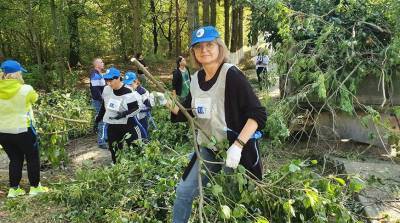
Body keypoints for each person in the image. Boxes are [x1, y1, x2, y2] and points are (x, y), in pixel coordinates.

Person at [168, 26, 267, 223]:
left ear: (219, 47)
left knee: (233, 201)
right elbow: (188, 113)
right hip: (208, 148)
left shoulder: (231, 75)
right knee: (184, 191)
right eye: (198, 47)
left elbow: (258, 114)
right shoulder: (196, 80)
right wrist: (172, 107)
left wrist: (238, 146)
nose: (204, 50)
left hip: (235, 150)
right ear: (194, 53)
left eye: (210, 45)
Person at [0, 60, 49, 198]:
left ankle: (14, 189)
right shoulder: (25, 89)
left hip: (3, 131)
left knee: (15, 159)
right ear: (17, 74)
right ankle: (35, 187)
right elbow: (35, 98)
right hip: (23, 129)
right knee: (32, 157)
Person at [94, 67, 142, 163]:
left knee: (135, 148)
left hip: (128, 124)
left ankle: (137, 167)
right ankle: (117, 167)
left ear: (118, 78)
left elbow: (136, 108)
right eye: (107, 80)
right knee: (114, 149)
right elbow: (104, 106)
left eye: (111, 80)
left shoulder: (128, 91)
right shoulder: (107, 90)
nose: (109, 83)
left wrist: (124, 114)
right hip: (112, 125)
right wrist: (98, 119)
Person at [123, 71, 152, 139]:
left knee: (143, 133)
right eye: (127, 84)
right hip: (130, 118)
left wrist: (140, 109)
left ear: (136, 81)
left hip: (141, 117)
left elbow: (149, 106)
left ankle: (145, 144)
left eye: (130, 84)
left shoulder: (142, 91)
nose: (128, 86)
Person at [89, 58, 107, 149]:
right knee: (102, 120)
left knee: (105, 120)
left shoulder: (100, 74)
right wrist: (103, 101)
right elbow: (96, 92)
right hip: (98, 102)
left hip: (102, 101)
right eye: (101, 62)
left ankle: (105, 137)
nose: (103, 63)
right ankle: (101, 141)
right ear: (96, 65)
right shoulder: (95, 75)